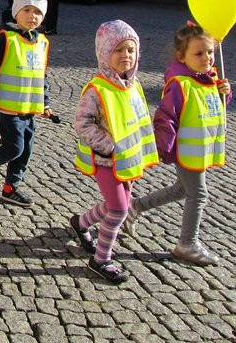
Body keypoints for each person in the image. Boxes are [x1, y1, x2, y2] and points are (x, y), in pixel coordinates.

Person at [123, 23, 231, 265]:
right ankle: (187, 243)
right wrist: (162, 148)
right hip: (186, 151)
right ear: (182, 57)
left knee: (181, 190)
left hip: (200, 150)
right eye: (199, 54)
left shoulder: (210, 79)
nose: (207, 58)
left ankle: (134, 207)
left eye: (210, 52)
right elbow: (165, 118)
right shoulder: (180, 84)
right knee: (198, 194)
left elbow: (214, 108)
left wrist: (225, 93)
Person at [70, 20, 159, 284]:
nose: (126, 56)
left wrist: (146, 149)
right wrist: (108, 147)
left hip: (127, 160)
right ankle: (101, 259)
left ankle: (82, 223)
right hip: (106, 160)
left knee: (115, 205)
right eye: (119, 50)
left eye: (131, 50)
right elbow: (82, 123)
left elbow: (140, 121)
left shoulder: (134, 86)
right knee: (119, 210)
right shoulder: (98, 89)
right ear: (105, 54)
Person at [0, 0, 52, 206]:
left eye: (37, 12)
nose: (32, 16)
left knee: (26, 149)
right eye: (26, 10)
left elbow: (41, 75)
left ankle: (10, 187)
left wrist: (45, 101)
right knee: (14, 147)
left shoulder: (42, 42)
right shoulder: (6, 38)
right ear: (16, 12)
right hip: (8, 107)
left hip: (29, 108)